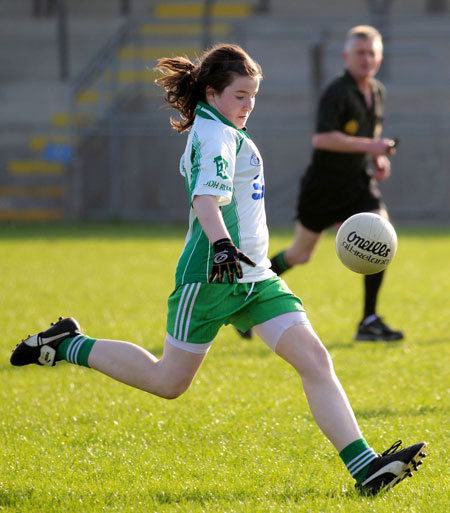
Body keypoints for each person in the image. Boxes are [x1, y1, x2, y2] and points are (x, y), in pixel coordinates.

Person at [10, 43, 426, 494]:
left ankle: (366, 468)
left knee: (315, 360)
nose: (249, 105)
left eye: (253, 95)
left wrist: (240, 255)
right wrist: (223, 247)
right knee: (167, 382)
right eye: (240, 95)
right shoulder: (213, 136)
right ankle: (68, 343)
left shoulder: (224, 128)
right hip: (211, 277)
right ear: (212, 93)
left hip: (255, 278)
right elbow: (205, 200)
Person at [269, 25, 403, 342]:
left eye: (372, 53)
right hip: (324, 186)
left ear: (380, 58)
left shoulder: (378, 92)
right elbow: (323, 138)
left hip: (357, 183)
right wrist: (370, 147)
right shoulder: (337, 92)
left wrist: (376, 159)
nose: (366, 58)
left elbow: (367, 137)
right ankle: (244, 297)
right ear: (346, 56)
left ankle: (368, 320)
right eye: (360, 52)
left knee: (380, 236)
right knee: (300, 254)